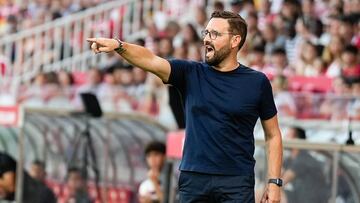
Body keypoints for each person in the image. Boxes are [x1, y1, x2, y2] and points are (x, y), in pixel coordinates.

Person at [87, 10, 283, 203]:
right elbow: (150, 60)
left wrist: (274, 182)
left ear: (235, 41)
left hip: (236, 181)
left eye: (214, 34)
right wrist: (119, 46)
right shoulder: (190, 73)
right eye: (206, 33)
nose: (207, 39)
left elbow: (273, 135)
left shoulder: (257, 82)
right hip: (194, 178)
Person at [281, 127, 330, 203]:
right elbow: (275, 176)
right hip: (298, 196)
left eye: (288, 135)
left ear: (296, 140)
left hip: (310, 199)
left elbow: (281, 182)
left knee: (276, 193)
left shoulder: (303, 159)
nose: (284, 138)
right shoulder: (290, 159)